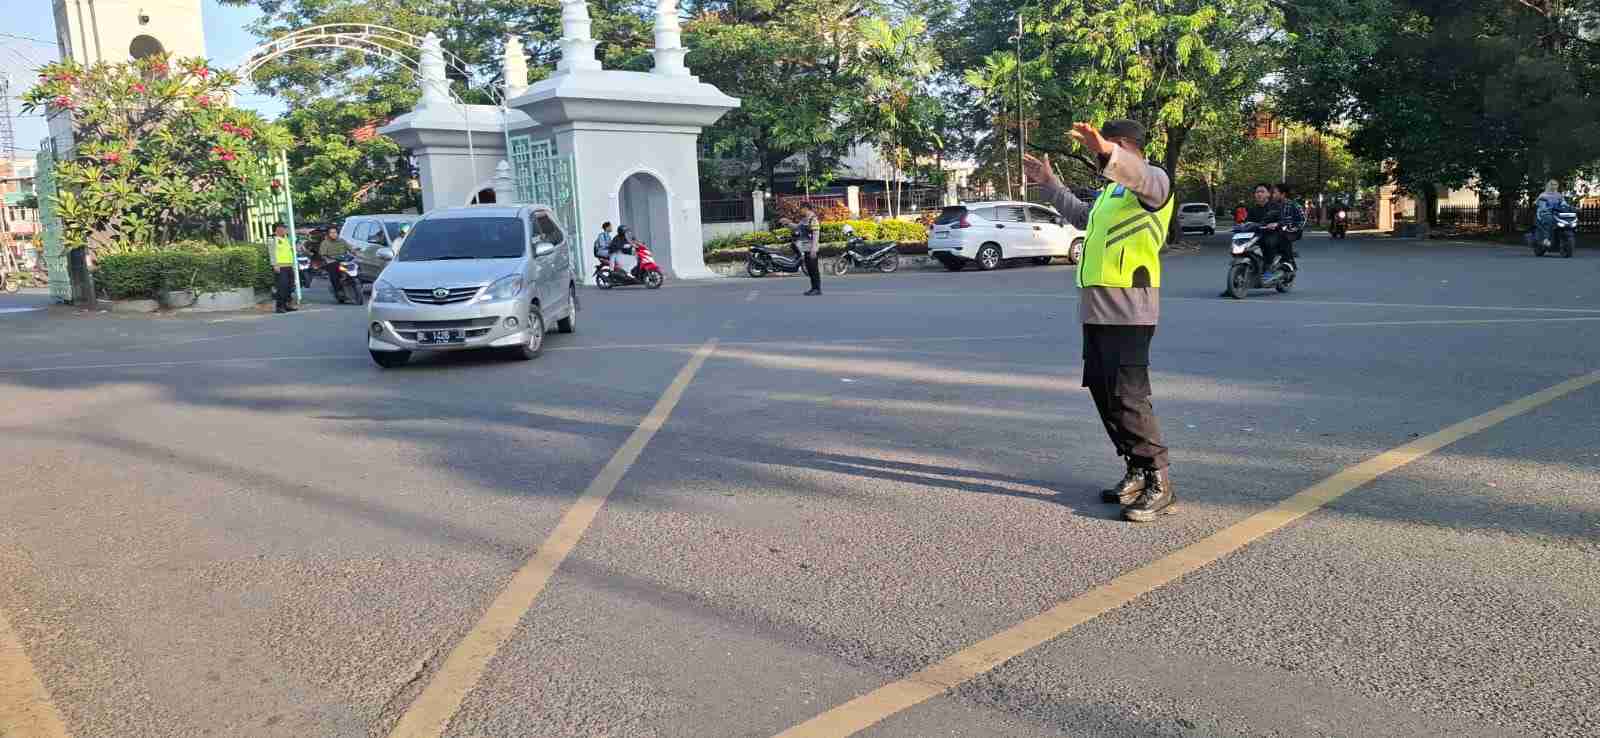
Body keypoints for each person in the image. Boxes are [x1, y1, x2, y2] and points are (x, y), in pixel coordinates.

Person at [1022, 119, 1177, 522]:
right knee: (1103, 391)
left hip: (1130, 304)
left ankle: (1160, 479)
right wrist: (1050, 184)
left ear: (1123, 145)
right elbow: (1081, 217)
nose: (1097, 155)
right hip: (1096, 305)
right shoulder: (1114, 191)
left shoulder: (1153, 181)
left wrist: (1108, 151)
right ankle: (1136, 468)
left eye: (1105, 148)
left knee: (1128, 394)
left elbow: (1140, 173)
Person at [1261, 182, 1305, 282]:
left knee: (1280, 238)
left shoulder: (1293, 205)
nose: (1273, 195)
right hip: (1279, 230)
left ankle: (1289, 262)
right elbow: (1268, 217)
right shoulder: (1274, 206)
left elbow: (1302, 219)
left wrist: (1289, 227)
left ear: (1283, 194)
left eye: (1275, 193)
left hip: (1292, 232)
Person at [270, 223, 297, 313]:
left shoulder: (286, 239)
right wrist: (275, 265)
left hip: (289, 266)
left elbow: (289, 252)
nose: (285, 230)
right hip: (280, 267)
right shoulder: (273, 239)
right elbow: (272, 253)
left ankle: (287, 305)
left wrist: (292, 265)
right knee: (282, 287)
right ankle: (279, 306)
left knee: (290, 286)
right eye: (283, 228)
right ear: (278, 229)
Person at [796, 203, 822, 296]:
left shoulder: (813, 219)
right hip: (806, 248)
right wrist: (787, 223)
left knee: (814, 269)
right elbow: (796, 227)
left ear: (806, 209)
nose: (800, 211)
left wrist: (814, 249)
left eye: (801, 209)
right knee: (810, 270)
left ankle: (817, 289)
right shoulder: (804, 220)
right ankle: (813, 288)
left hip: (812, 248)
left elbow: (816, 235)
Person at [1534, 180, 1568, 247]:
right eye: (1552, 184)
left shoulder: (1559, 195)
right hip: (1544, 213)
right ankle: (1546, 239)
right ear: (1548, 185)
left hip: (1555, 213)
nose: (1553, 186)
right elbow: (1538, 204)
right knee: (1549, 220)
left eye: (1555, 184)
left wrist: (1568, 207)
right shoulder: (1543, 195)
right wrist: (1544, 207)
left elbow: (1564, 203)